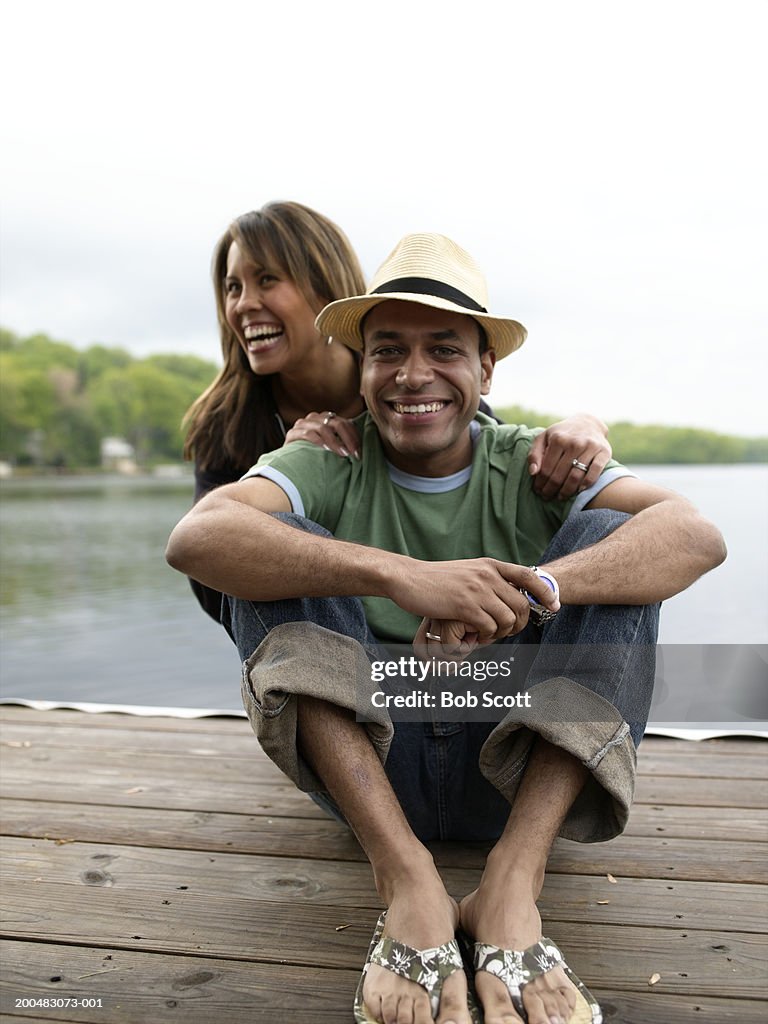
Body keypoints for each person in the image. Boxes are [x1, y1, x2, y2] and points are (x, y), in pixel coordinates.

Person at [167, 233, 726, 1024]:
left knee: (616, 547)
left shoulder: (533, 461)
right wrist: (400, 575)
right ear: (361, 369)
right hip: (371, 773)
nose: (413, 374)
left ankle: (512, 884)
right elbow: (196, 540)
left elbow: (696, 535)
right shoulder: (324, 459)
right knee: (274, 554)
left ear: (485, 369)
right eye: (387, 350)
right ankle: (408, 881)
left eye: (444, 349)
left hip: (515, 771)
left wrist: (537, 592)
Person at [182, 201, 615, 624]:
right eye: (232, 287)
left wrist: (588, 424)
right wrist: (297, 475)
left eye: (267, 280)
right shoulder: (227, 422)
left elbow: (488, 478)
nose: (242, 304)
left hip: (430, 638)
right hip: (314, 632)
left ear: (323, 285)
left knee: (608, 527)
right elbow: (210, 580)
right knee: (277, 533)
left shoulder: (413, 390)